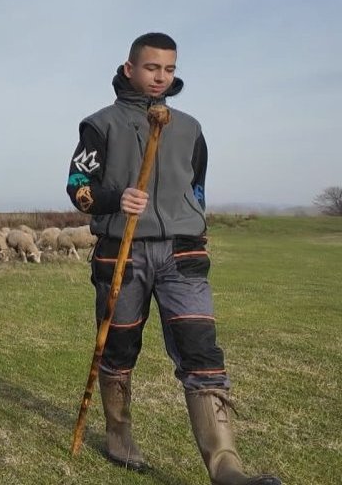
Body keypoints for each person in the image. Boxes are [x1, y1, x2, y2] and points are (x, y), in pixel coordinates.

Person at [66, 33, 279, 484]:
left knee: (203, 351)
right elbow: (78, 188)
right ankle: (119, 438)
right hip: (121, 252)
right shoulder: (98, 124)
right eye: (151, 68)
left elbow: (197, 185)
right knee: (118, 349)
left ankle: (226, 468)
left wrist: (194, 221)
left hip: (183, 254)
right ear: (129, 68)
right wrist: (113, 198)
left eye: (169, 69)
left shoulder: (190, 127)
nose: (161, 77)